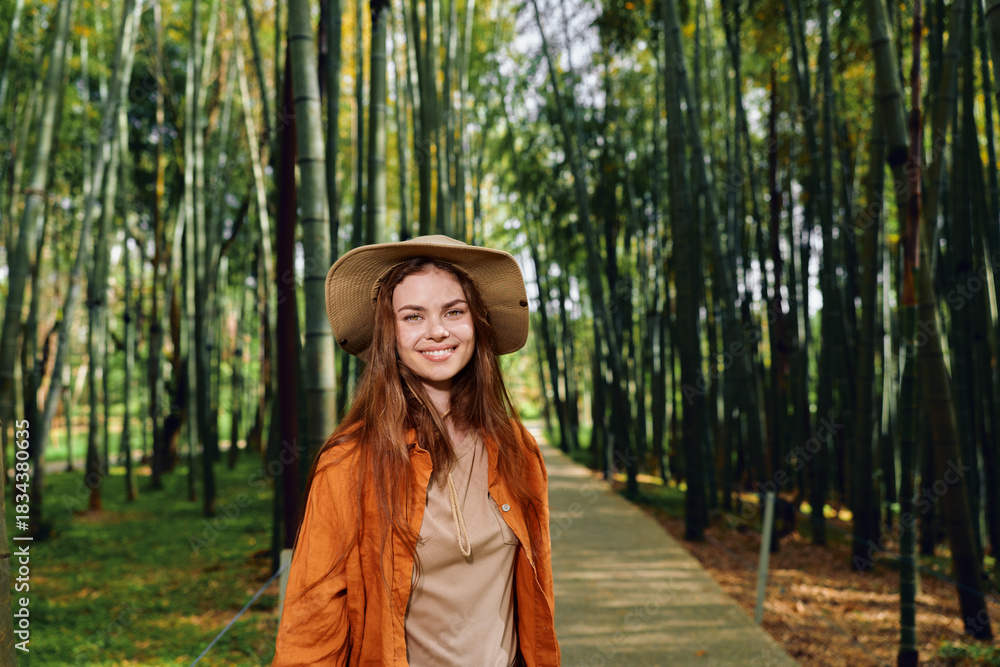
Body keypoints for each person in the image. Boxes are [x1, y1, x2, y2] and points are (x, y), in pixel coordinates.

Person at [273, 235, 560, 666]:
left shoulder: (517, 449)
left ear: (475, 323)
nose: (437, 330)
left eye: (454, 311)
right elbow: (310, 625)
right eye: (413, 316)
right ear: (389, 333)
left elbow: (536, 604)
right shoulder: (349, 464)